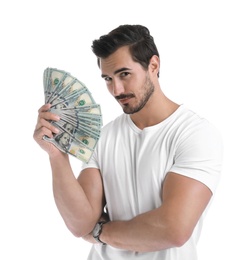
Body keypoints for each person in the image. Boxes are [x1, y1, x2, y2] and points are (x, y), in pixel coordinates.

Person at [33, 24, 223, 260]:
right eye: (107, 78)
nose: (116, 89)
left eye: (124, 74)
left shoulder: (195, 133)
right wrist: (56, 155)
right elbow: (80, 224)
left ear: (153, 65)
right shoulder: (103, 137)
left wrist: (101, 231)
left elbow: (173, 229)